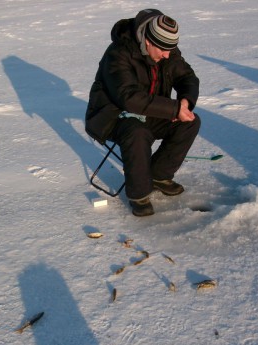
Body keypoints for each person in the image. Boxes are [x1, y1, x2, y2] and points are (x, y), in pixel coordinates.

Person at [86, 9, 201, 216]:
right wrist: (172, 108)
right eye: (163, 50)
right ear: (148, 41)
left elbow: (188, 77)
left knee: (190, 122)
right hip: (112, 117)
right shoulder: (118, 54)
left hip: (149, 111)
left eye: (171, 50)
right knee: (137, 132)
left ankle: (159, 175)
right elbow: (128, 98)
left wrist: (184, 102)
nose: (167, 55)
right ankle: (139, 193)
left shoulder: (167, 50)